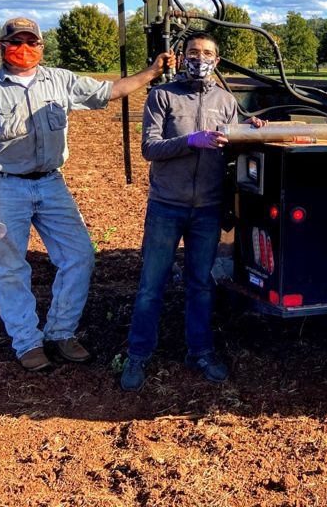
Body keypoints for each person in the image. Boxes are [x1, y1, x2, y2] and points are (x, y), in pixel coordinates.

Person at [0, 16, 174, 371]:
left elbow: (108, 92)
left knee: (79, 254)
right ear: (1, 46)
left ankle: (61, 333)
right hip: (3, 187)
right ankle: (27, 343)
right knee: (9, 268)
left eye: (30, 42)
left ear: (41, 46)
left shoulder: (59, 80)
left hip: (51, 183)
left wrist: (151, 72)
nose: (24, 49)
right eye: (16, 42)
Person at [120, 32, 264, 391]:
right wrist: (189, 141)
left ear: (217, 59)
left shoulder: (226, 101)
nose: (200, 58)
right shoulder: (162, 96)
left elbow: (232, 149)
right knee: (151, 285)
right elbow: (150, 149)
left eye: (208, 53)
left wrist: (249, 131)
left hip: (207, 210)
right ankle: (138, 354)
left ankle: (199, 351)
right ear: (182, 57)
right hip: (167, 206)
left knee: (200, 284)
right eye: (193, 52)